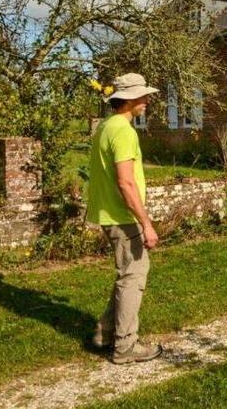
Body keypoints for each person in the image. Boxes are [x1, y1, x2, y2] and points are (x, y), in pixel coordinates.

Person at [88, 73, 163, 364]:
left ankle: (105, 332)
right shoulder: (123, 131)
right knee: (133, 277)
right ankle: (125, 345)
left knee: (127, 274)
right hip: (123, 216)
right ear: (129, 99)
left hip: (109, 213)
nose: (147, 101)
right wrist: (145, 223)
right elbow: (126, 183)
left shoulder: (106, 127)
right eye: (143, 96)